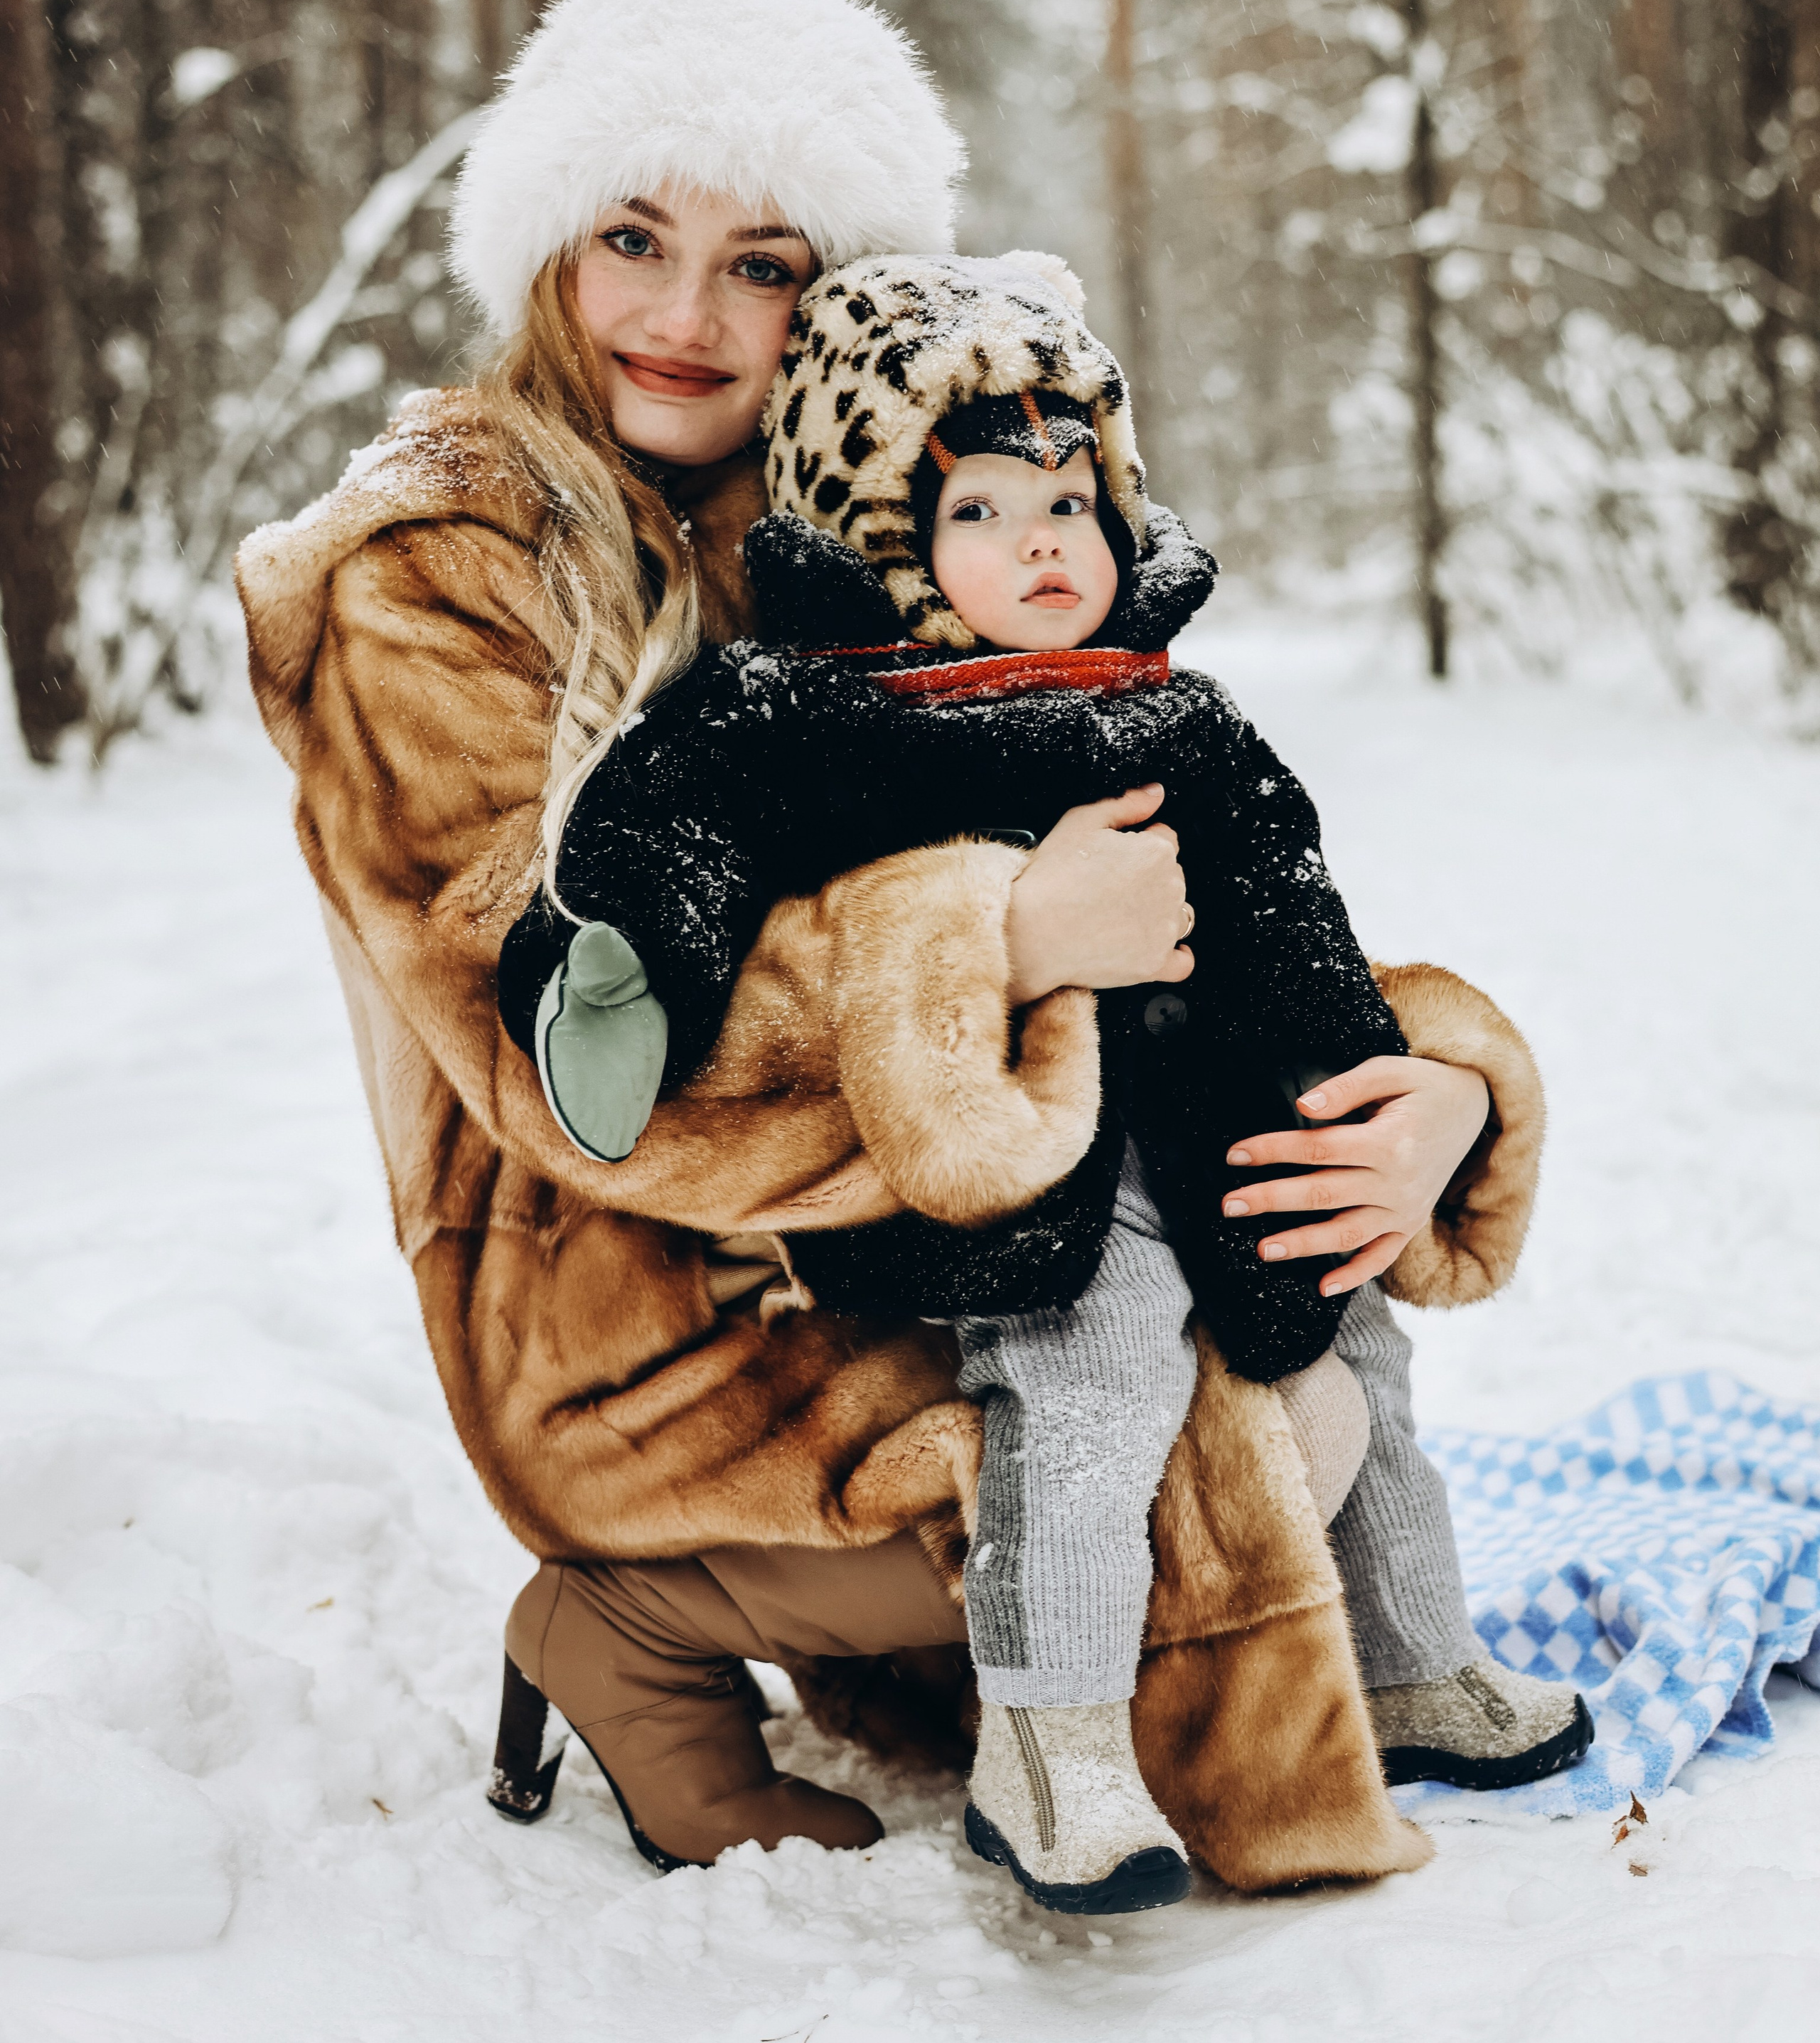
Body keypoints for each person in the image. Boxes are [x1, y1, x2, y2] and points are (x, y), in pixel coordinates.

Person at [234, 0, 1557, 1902]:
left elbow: (1174, 850)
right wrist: (1004, 944)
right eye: (630, 237)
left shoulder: (846, 528)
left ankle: (947, 1643)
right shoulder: (431, 564)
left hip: (912, 1233)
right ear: (543, 245)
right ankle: (636, 1612)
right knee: (1198, 1457)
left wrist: (1433, 1088)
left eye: (764, 262)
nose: (686, 316)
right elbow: (558, 1065)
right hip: (643, 1321)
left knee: (1303, 1362)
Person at [496, 250, 1592, 1911]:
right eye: (982, 513)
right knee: (1080, 1407)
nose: (1041, 545)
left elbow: (1286, 901)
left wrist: (1378, 1098)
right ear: (886, 542)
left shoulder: (1179, 713)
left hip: (1225, 1136)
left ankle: (1405, 1658)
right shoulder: (823, 709)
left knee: (1358, 1329)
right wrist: (631, 956)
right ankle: (1049, 1744)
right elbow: (674, 821)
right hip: (1031, 1170)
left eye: (1069, 505)